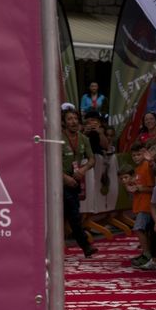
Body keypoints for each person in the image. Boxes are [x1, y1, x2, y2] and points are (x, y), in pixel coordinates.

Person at [62, 108, 97, 257]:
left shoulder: (83, 138)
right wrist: (64, 177)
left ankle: (80, 246)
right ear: (64, 122)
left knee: (71, 214)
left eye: (75, 118)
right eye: (69, 119)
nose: (73, 122)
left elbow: (92, 160)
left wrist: (83, 170)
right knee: (72, 215)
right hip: (58, 181)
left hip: (75, 181)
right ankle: (85, 246)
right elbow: (49, 161)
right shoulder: (58, 137)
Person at [128, 142, 156, 270]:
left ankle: (147, 254)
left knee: (138, 228)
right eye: (134, 155)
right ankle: (147, 254)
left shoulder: (147, 166)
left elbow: (153, 188)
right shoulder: (136, 169)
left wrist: (140, 188)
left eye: (138, 154)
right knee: (145, 230)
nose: (136, 157)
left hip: (146, 205)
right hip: (139, 204)